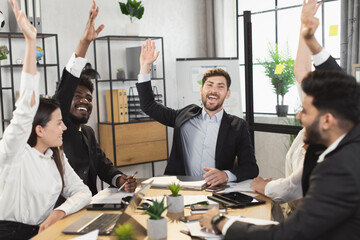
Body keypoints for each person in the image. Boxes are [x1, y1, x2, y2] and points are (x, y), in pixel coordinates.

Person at [199, 1, 360, 239]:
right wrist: (310, 39)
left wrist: (221, 222)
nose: (298, 116)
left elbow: (287, 235)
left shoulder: (339, 170)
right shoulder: (348, 122)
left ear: (327, 121)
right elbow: (343, 85)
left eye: (305, 111)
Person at [0, 1, 91, 239]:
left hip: (46, 232)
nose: (64, 127)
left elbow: (83, 192)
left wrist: (59, 212)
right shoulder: (13, 152)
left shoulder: (56, 155)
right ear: (39, 129)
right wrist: (31, 42)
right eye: (59, 122)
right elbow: (24, 113)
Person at [136, 39, 258, 187]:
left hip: (217, 190)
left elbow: (251, 168)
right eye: (209, 85)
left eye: (220, 87)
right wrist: (145, 66)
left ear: (227, 93)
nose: (214, 90)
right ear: (201, 90)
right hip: (181, 188)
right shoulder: (184, 116)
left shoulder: (238, 126)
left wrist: (226, 175)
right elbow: (149, 106)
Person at [53, 0, 136, 202]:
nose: (85, 101)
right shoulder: (58, 126)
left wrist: (119, 179)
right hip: (63, 211)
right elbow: (66, 87)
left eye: (89, 98)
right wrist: (85, 43)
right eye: (78, 96)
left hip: (90, 206)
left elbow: (102, 165)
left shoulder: (88, 133)